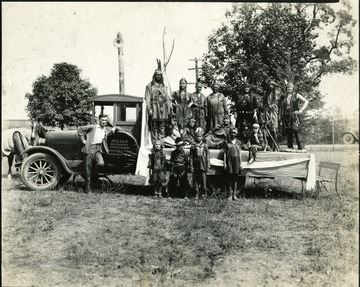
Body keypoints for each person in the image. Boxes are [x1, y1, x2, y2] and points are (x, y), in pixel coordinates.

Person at [78, 114, 121, 192]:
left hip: (98, 150)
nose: (104, 122)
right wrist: (83, 140)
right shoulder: (93, 127)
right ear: (99, 120)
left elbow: (119, 128)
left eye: (105, 120)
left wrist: (114, 127)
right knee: (88, 170)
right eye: (102, 120)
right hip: (89, 148)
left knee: (101, 163)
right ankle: (87, 189)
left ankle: (94, 178)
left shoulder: (106, 129)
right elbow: (80, 129)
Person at [278, 82, 309, 151]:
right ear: (286, 88)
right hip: (286, 116)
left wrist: (301, 110)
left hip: (294, 115)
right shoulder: (283, 97)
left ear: (293, 88)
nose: (289, 88)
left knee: (296, 130)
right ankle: (290, 147)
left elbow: (306, 101)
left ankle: (301, 148)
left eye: (290, 87)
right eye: (288, 87)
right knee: (288, 131)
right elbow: (280, 107)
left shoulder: (296, 95)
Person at [145, 68, 172, 144]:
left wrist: (169, 109)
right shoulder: (149, 86)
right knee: (154, 126)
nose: (158, 76)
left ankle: (161, 142)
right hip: (154, 108)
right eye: (157, 75)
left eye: (160, 75)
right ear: (154, 75)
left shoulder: (163, 86)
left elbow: (167, 98)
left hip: (163, 109)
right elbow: (147, 98)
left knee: (162, 126)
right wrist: (149, 109)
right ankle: (154, 142)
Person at [223, 127, 243, 201]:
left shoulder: (238, 142)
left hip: (236, 160)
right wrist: (224, 163)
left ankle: (234, 195)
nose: (233, 134)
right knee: (229, 177)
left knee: (235, 177)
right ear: (230, 133)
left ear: (236, 133)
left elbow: (240, 153)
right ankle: (229, 195)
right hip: (229, 160)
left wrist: (241, 163)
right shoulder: (227, 142)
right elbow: (225, 153)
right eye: (232, 132)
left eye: (235, 132)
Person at [190, 130, 210, 199]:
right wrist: (191, 166)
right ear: (195, 137)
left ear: (202, 137)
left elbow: (207, 157)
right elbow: (191, 157)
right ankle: (196, 194)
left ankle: (203, 194)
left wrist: (207, 166)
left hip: (203, 164)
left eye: (200, 136)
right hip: (196, 164)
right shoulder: (193, 146)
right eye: (197, 136)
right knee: (195, 181)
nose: (199, 137)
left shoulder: (205, 146)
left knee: (203, 181)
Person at [262, 80, 279, 151]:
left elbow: (277, 103)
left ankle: (275, 145)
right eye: (269, 85)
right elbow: (264, 103)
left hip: (273, 112)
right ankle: (268, 146)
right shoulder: (266, 94)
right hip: (267, 112)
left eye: (272, 85)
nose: (270, 86)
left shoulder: (276, 93)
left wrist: (273, 106)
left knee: (274, 129)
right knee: (267, 128)